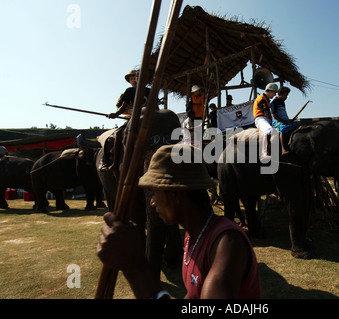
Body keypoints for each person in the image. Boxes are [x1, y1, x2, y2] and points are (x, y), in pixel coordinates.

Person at [97, 144, 261, 299]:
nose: (152, 202)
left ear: (176, 193)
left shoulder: (227, 244)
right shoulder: (193, 236)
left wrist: (134, 265)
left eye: (154, 193)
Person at [270, 86, 300, 155]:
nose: (286, 97)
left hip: (285, 121)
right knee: (283, 128)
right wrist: (285, 122)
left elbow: (283, 114)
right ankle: (283, 149)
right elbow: (274, 115)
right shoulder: (274, 102)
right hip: (277, 122)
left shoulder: (282, 102)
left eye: (287, 95)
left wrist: (289, 121)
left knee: (297, 124)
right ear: (279, 94)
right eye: (285, 95)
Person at [253, 83, 278, 161]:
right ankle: (263, 154)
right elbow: (266, 113)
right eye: (274, 92)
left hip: (265, 119)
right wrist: (272, 123)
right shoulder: (262, 98)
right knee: (268, 130)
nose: (275, 94)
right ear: (270, 91)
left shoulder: (266, 99)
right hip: (261, 118)